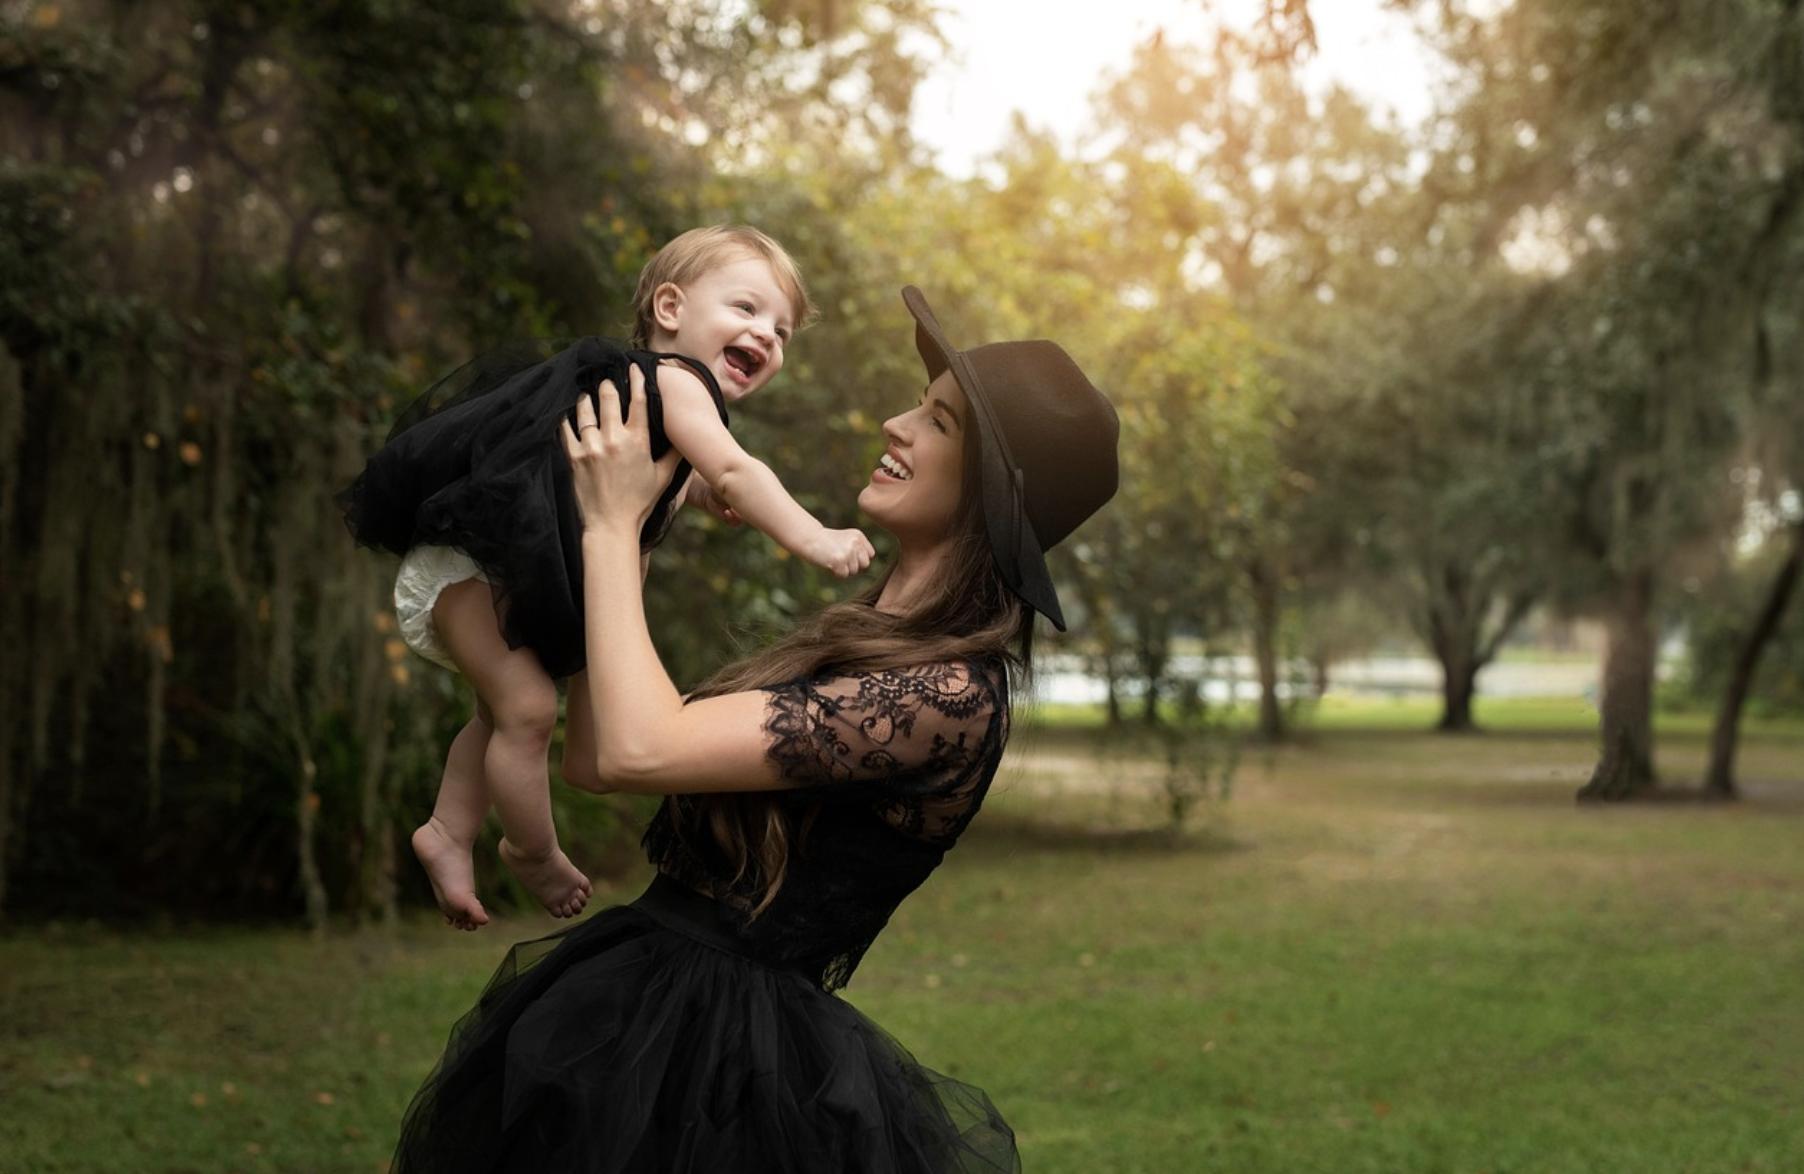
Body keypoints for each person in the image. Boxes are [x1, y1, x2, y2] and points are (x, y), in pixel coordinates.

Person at [390, 286, 1120, 1173]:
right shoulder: (863, 642)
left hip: (728, 1078)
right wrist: (637, 524)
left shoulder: (948, 695)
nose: (896, 424)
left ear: (988, 500)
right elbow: (592, 755)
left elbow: (635, 749)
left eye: (937, 422)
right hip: (642, 998)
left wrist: (612, 524)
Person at [338, 226, 876, 930]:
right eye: (746, 309)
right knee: (527, 710)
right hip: (468, 567)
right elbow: (739, 469)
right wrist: (815, 536)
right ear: (670, 309)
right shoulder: (679, 384)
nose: (766, 336)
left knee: (503, 712)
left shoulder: (647, 400)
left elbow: (691, 480)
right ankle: (530, 850)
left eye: (781, 331)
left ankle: (447, 829)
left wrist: (702, 494)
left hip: (490, 578)